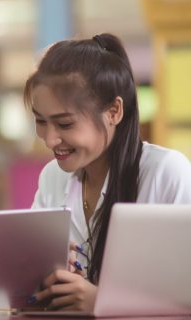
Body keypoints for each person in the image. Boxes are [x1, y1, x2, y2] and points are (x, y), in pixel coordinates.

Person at [24, 33, 191, 311]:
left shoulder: (166, 173)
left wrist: (100, 302)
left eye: (65, 124)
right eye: (41, 121)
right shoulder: (52, 177)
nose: (50, 139)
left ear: (114, 111)